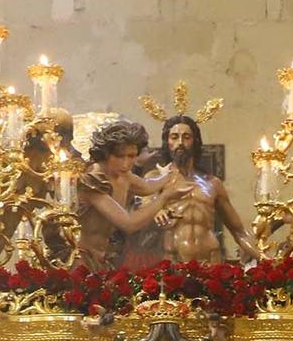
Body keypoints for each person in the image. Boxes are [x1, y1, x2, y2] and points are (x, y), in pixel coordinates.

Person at [144, 114, 259, 265]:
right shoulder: (156, 178)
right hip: (173, 262)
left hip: (210, 262)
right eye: (174, 137)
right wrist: (156, 210)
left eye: (186, 137)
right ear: (167, 142)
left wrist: (264, 259)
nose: (180, 142)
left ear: (195, 141)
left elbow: (239, 232)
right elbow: (143, 206)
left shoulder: (212, 183)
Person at [75, 118, 181, 272]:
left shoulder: (124, 175)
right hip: (81, 258)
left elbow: (147, 186)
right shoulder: (92, 179)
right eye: (119, 156)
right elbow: (128, 224)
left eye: (131, 156)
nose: (126, 164)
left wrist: (168, 176)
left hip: (107, 257)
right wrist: (164, 197)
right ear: (106, 153)